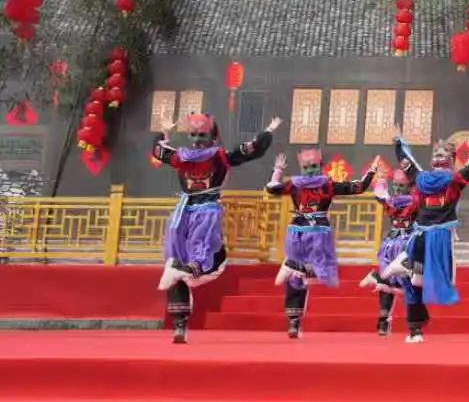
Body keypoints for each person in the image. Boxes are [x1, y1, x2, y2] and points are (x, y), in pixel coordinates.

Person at [153, 112, 280, 344]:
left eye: (200, 134)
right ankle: (180, 313)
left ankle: (180, 317)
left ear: (210, 135)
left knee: (182, 257)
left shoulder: (183, 156)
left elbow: (158, 150)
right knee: (195, 258)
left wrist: (165, 133)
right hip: (201, 211)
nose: (197, 139)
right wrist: (268, 132)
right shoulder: (219, 156)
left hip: (187, 212)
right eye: (194, 134)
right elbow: (252, 149)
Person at [382, 129, 469, 343]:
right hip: (439, 238)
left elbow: (405, 160)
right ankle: (408, 269)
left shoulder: (420, 178)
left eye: (440, 154)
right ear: (451, 162)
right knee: (429, 281)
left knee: (414, 282)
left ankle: (414, 324)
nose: (439, 157)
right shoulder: (456, 179)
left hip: (420, 237)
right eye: (439, 154)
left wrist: (399, 143)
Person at [265, 148, 377, 339]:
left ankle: (296, 267)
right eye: (307, 167)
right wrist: (277, 170)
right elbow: (272, 188)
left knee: (317, 272)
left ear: (321, 166)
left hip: (319, 236)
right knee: (295, 278)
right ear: (302, 167)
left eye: (314, 166)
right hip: (298, 234)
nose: (310, 170)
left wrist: (372, 171)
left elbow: (357, 188)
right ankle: (294, 320)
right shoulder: (295, 184)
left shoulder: (328, 185)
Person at [361, 163, 419, 337]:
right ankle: (409, 324)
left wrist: (382, 179)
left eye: (401, 185)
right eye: (396, 185)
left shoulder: (390, 201)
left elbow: (379, 192)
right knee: (409, 283)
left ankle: (385, 321)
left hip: (393, 244)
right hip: (406, 244)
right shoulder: (415, 201)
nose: (398, 188)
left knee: (389, 281)